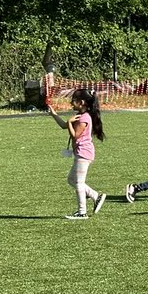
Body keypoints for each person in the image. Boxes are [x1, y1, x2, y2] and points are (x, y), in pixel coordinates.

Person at [46, 88, 107, 219]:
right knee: (71, 180)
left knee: (79, 182)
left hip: (84, 154)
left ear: (82, 102)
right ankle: (96, 196)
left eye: (73, 101)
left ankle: (82, 212)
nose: (71, 104)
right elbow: (64, 125)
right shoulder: (80, 115)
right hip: (81, 153)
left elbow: (75, 136)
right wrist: (53, 114)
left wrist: (69, 122)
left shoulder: (84, 118)